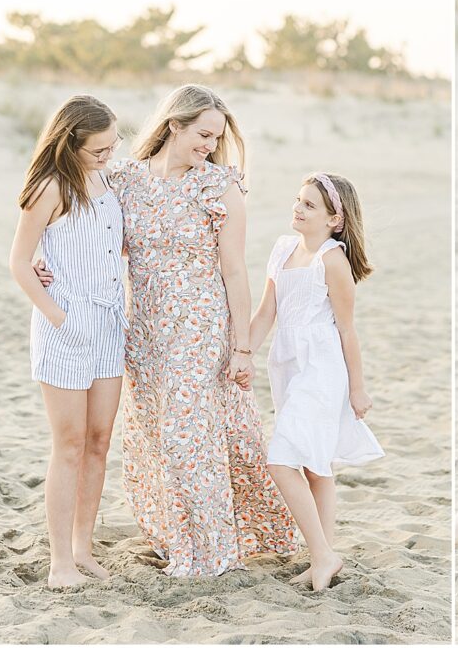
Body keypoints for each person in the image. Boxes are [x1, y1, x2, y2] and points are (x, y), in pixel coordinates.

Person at [106, 84, 298, 575]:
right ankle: (175, 536)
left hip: (200, 328)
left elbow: (234, 270)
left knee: (191, 437)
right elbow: (92, 237)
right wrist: (44, 262)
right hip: (145, 331)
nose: (210, 146)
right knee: (155, 435)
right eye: (203, 134)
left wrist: (241, 348)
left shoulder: (219, 187)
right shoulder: (125, 179)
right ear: (174, 124)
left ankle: (209, 551)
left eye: (216, 138)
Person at [10, 95, 126, 587]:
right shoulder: (50, 186)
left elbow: (109, 244)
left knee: (99, 442)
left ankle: (83, 548)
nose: (108, 156)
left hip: (109, 323)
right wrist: (59, 315)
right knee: (70, 444)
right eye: (99, 150)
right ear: (70, 143)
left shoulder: (107, 179)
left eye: (113, 147)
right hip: (65, 327)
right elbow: (20, 263)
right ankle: (60, 561)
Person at [249, 172, 384, 591]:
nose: (298, 208)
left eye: (309, 205)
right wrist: (241, 354)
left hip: (322, 369)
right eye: (298, 200)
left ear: (334, 220)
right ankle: (321, 557)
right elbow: (266, 311)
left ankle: (324, 553)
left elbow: (347, 330)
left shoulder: (332, 261)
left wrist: (357, 389)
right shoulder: (283, 248)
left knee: (281, 459)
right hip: (287, 366)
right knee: (315, 466)